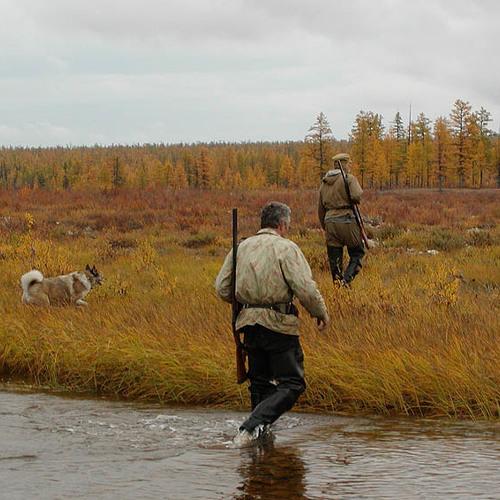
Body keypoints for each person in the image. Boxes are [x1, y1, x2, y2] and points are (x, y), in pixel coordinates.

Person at [215, 201, 329, 446]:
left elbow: (222, 288)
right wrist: (319, 312)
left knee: (260, 383)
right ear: (281, 224)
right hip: (279, 324)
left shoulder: (241, 248)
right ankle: (251, 427)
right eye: (287, 225)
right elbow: (305, 289)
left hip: (248, 324)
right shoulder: (286, 248)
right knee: (293, 384)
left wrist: (248, 301)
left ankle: (259, 440)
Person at [318, 153, 365, 285]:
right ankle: (347, 280)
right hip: (347, 221)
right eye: (349, 163)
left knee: (335, 261)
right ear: (344, 164)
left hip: (330, 223)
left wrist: (325, 226)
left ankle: (338, 289)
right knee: (357, 253)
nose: (350, 165)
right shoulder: (349, 179)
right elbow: (357, 196)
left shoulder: (324, 183)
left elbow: (320, 209)